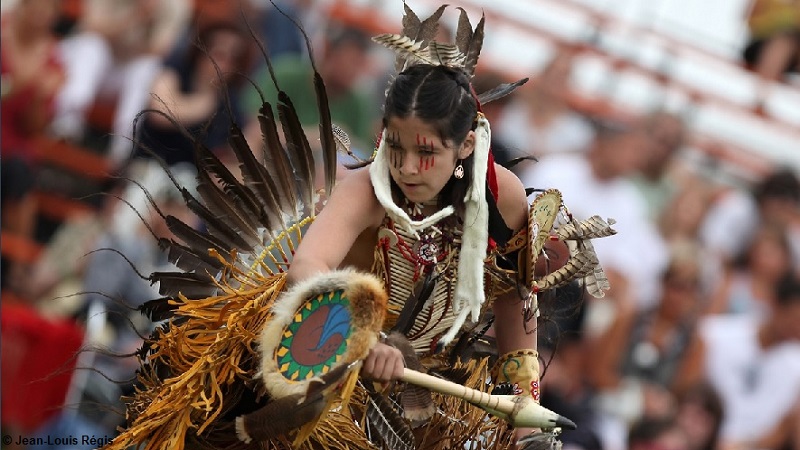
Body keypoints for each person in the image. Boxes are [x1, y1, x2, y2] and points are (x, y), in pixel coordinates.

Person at [102, 5, 614, 450]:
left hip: (418, 379)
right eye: (396, 146)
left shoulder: (502, 196)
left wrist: (525, 410)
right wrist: (357, 339)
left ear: (465, 147)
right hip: (324, 348)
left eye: (426, 153)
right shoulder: (367, 188)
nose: (408, 167)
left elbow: (513, 295)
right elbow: (309, 264)